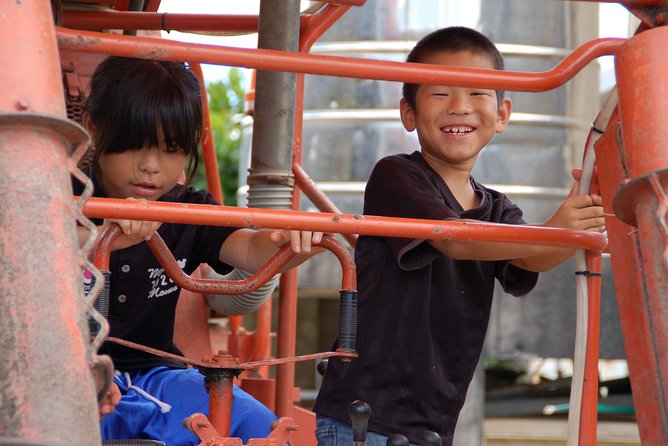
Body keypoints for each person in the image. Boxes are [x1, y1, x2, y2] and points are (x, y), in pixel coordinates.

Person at [312, 26, 605, 445]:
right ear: (408, 113)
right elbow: (455, 239)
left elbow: (531, 256)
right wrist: (558, 229)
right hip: (365, 416)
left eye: (477, 93)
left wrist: (575, 222)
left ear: (502, 114)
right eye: (439, 93)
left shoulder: (498, 207)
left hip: (432, 422)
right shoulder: (398, 175)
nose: (459, 107)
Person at [73, 55, 323, 445]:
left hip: (155, 375)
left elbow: (249, 249)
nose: (151, 167)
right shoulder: (64, 194)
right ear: (93, 127)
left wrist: (288, 245)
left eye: (170, 149)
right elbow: (39, 240)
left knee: (256, 423)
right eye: (134, 146)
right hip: (68, 370)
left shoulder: (188, 208)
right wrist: (113, 233)